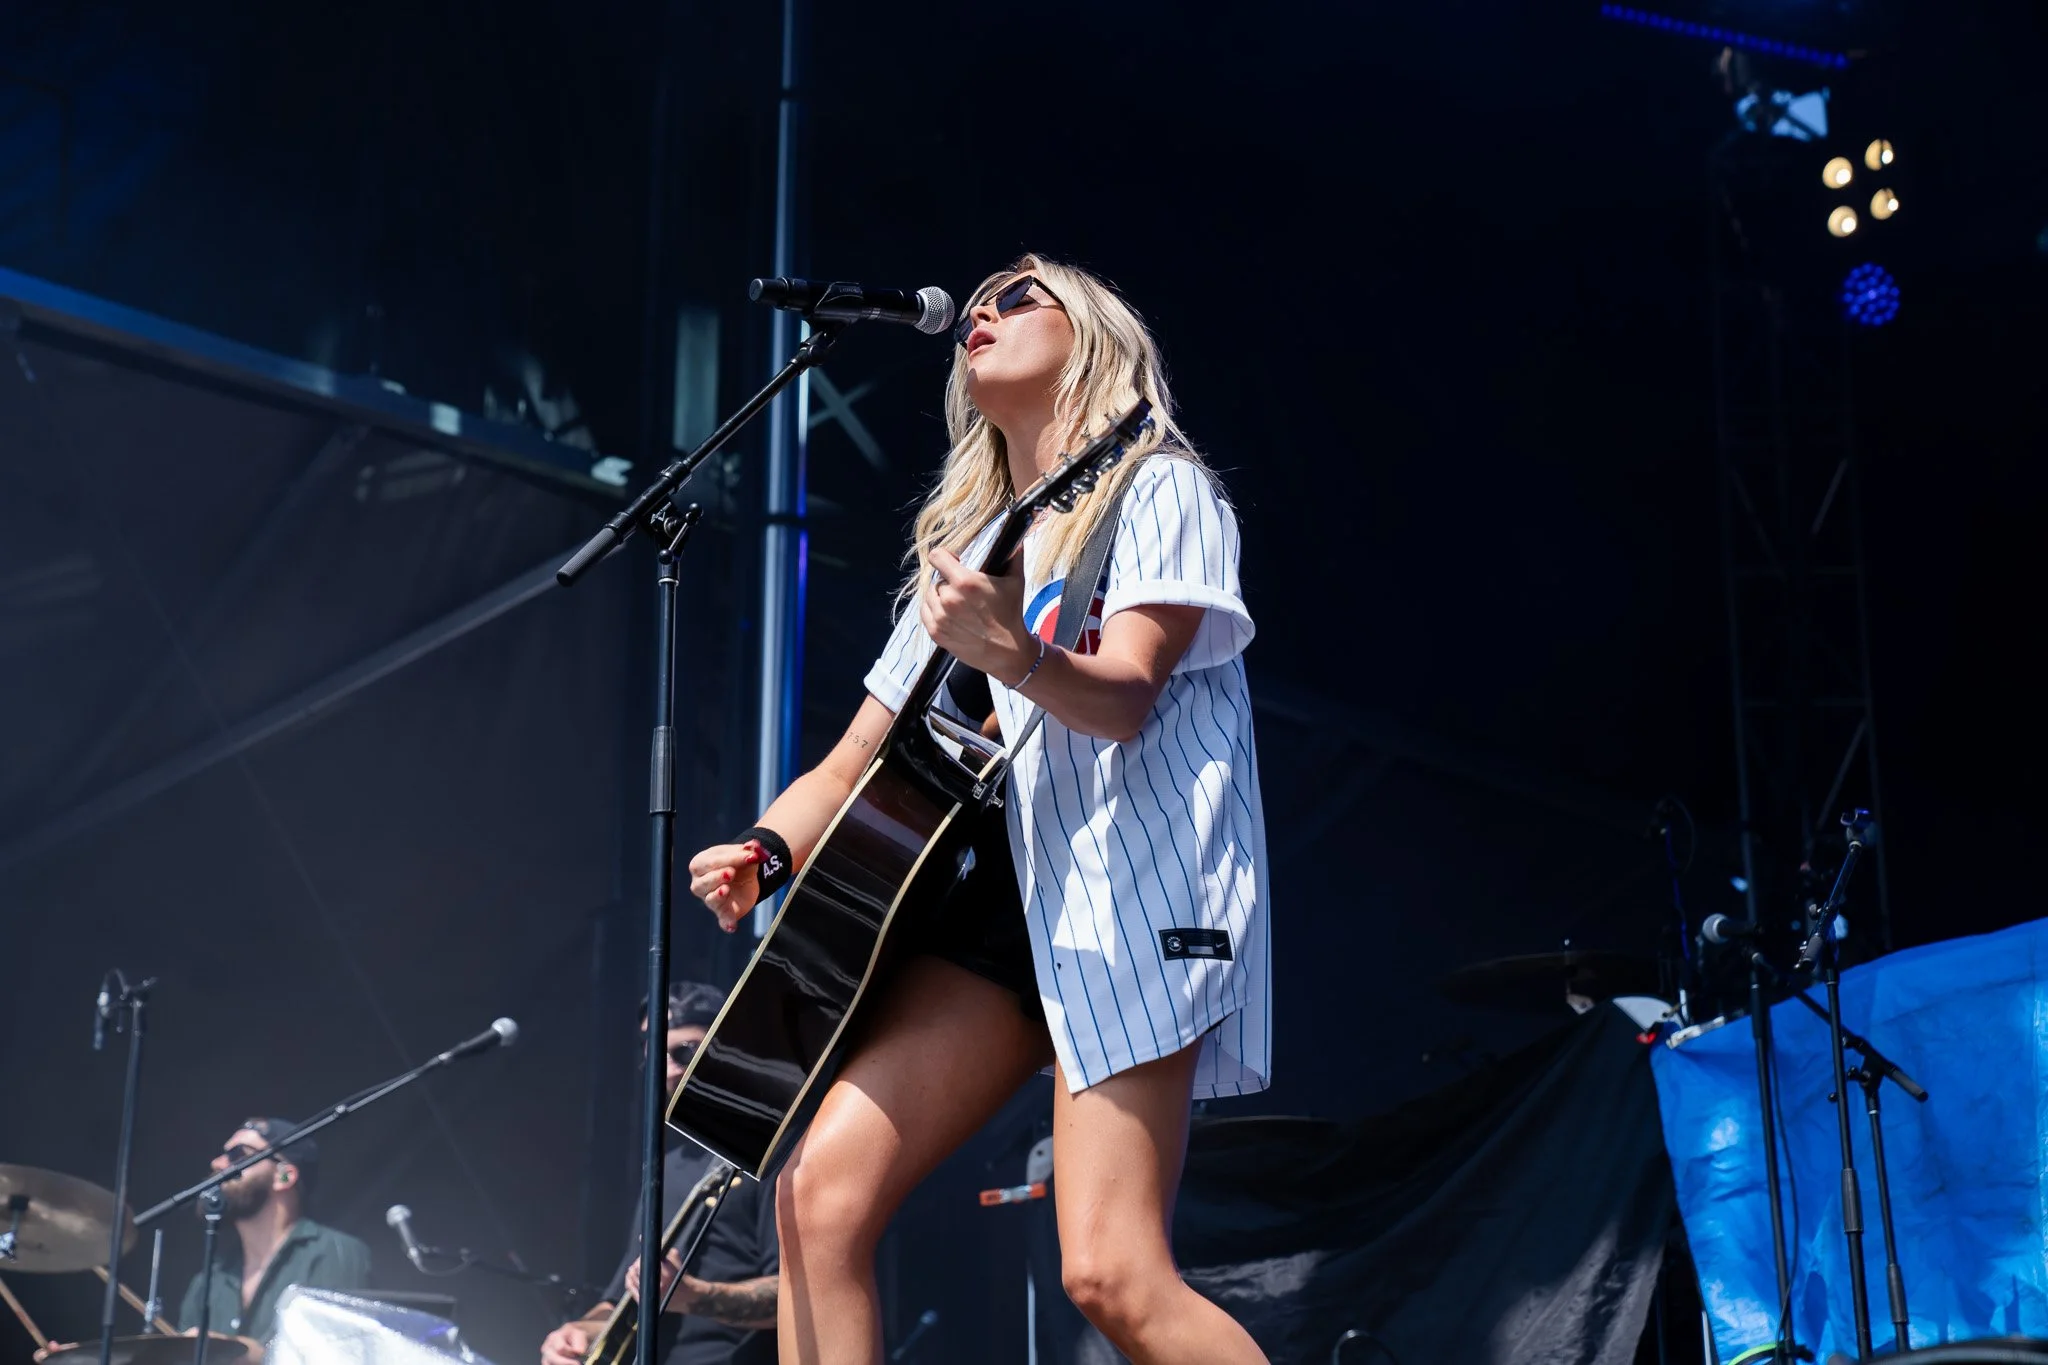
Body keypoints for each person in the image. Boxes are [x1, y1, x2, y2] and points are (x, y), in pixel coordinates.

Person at [685, 254, 1272, 1364]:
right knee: (815, 1200)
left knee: (1112, 1273)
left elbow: (1125, 696)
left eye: (1018, 295)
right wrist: (765, 848)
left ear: (1091, 335)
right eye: (980, 300)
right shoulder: (974, 544)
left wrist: (1012, 649)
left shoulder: (1160, 487)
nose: (983, 310)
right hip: (998, 907)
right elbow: (854, 758)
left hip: (1131, 894)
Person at [540, 982, 778, 1365]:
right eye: (656, 1055)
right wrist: (578, 1333)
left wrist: (694, 1296)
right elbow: (620, 1300)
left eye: (684, 1051)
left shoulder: (773, 1155)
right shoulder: (669, 1164)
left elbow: (798, 1295)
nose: (668, 1069)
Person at [177, 1118, 371, 1343]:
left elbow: (340, 1349)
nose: (218, 1163)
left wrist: (249, 1354)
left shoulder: (335, 1252)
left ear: (284, 1176)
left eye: (238, 1154)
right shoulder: (210, 1279)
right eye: (224, 1153)